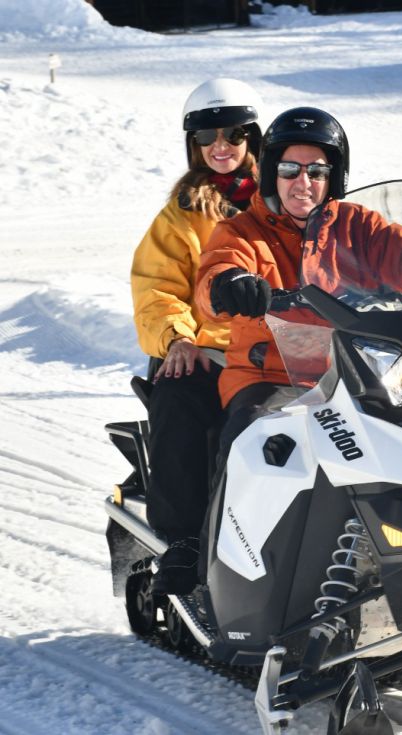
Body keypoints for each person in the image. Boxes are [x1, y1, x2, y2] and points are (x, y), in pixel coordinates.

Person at [195, 107, 402, 470]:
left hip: (358, 374)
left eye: (316, 171)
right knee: (259, 443)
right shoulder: (242, 231)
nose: (303, 182)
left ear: (332, 178)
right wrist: (229, 283)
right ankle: (226, 524)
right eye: (290, 170)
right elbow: (218, 267)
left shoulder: (356, 225)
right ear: (272, 174)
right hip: (270, 376)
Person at [130, 77, 263, 596]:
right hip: (210, 351)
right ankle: (184, 543)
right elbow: (156, 288)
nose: (220, 148)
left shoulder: (286, 199)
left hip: (286, 350)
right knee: (181, 395)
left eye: (232, 135)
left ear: (252, 138)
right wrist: (178, 338)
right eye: (207, 138)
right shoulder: (182, 213)